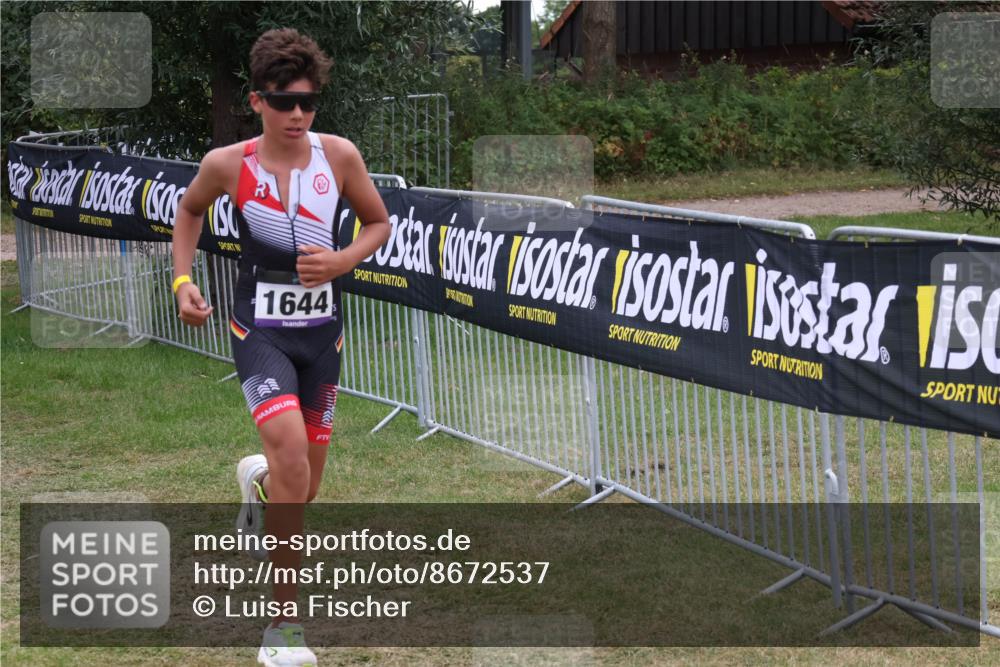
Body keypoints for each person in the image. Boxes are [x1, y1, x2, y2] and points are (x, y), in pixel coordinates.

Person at [171, 28, 390, 667]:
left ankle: (258, 479)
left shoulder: (340, 157)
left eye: (309, 102)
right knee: (293, 454)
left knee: (303, 485)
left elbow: (377, 222)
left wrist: (343, 259)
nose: (297, 114)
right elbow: (188, 213)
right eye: (284, 101)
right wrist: (183, 280)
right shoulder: (227, 165)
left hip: (322, 338)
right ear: (257, 101)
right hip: (258, 332)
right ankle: (282, 630)